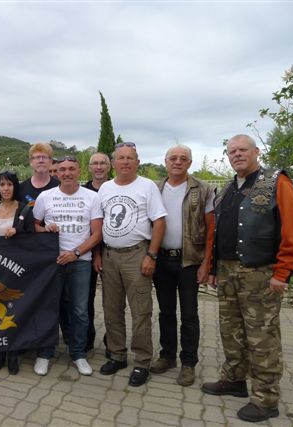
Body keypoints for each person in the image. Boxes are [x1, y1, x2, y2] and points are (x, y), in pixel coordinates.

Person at [201, 134, 293, 423]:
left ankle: (265, 399)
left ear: (256, 151)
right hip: (227, 272)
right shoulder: (227, 189)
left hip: (261, 274)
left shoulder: (276, 182)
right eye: (232, 151)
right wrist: (212, 267)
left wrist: (282, 273)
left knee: (262, 337)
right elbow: (216, 231)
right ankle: (234, 379)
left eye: (242, 149)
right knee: (230, 330)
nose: (236, 154)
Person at [95, 142, 167, 387]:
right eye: (120, 158)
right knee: (111, 309)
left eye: (130, 158)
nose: (125, 161)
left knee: (140, 311)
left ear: (137, 162)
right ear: (113, 163)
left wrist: (151, 256)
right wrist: (98, 255)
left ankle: (142, 361)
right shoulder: (105, 188)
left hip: (136, 255)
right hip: (109, 256)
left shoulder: (147, 186)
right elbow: (99, 223)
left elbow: (159, 222)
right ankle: (117, 355)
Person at [150, 145, 215, 387]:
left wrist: (206, 262)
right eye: (173, 158)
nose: (177, 162)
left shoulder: (203, 189)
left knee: (189, 314)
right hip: (161, 260)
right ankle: (167, 356)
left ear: (190, 163)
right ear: (165, 161)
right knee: (166, 312)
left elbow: (211, 229)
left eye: (183, 158)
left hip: (189, 261)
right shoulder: (155, 188)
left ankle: (188, 363)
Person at [33, 156, 101, 377]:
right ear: (57, 173)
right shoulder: (45, 197)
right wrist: (45, 230)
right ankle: (45, 353)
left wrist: (76, 253)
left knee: (80, 311)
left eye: (71, 169)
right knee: (49, 308)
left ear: (79, 171)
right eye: (62, 169)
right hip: (52, 262)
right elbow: (34, 226)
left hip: (80, 262)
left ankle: (78, 354)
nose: (67, 173)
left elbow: (97, 233)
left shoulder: (92, 197)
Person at [0, 171, 34, 375]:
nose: (5, 188)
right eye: (2, 185)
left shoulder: (24, 209)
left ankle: (12, 352)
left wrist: (19, 232)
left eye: (9, 185)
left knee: (13, 310)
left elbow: (32, 239)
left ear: (15, 187)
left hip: (15, 268)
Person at [83, 152, 112, 353]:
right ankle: (87, 337)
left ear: (109, 166)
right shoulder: (83, 191)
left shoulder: (116, 188)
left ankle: (113, 341)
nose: (99, 167)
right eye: (95, 163)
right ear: (89, 167)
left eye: (103, 163)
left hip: (112, 252)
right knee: (86, 299)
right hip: (88, 252)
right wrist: (95, 254)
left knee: (112, 301)